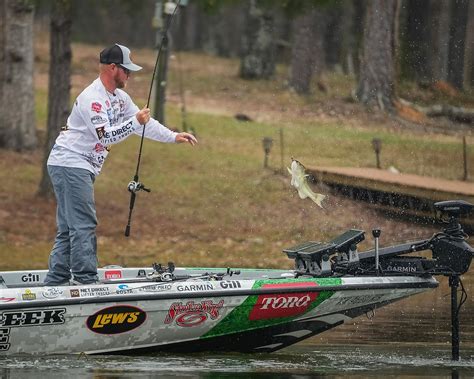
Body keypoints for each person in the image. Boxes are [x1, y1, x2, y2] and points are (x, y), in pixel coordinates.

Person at [45, 43, 197, 286]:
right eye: (127, 70)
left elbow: (144, 122)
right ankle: (86, 280)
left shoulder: (120, 98)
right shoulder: (92, 99)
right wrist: (136, 122)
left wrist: (173, 136)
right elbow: (106, 137)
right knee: (84, 223)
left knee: (69, 226)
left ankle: (56, 281)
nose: (130, 75)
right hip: (70, 163)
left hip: (77, 165)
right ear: (112, 68)